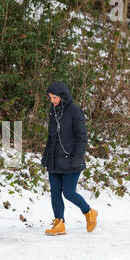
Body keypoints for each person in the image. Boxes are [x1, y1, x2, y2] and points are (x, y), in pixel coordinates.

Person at [41, 81, 98, 236]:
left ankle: (89, 213)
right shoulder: (53, 111)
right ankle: (59, 223)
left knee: (68, 192)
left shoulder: (75, 111)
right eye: (50, 97)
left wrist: (77, 158)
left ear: (63, 96)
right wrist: (47, 156)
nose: (52, 100)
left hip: (71, 159)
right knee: (55, 193)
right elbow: (52, 136)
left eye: (54, 97)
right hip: (54, 158)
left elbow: (82, 138)